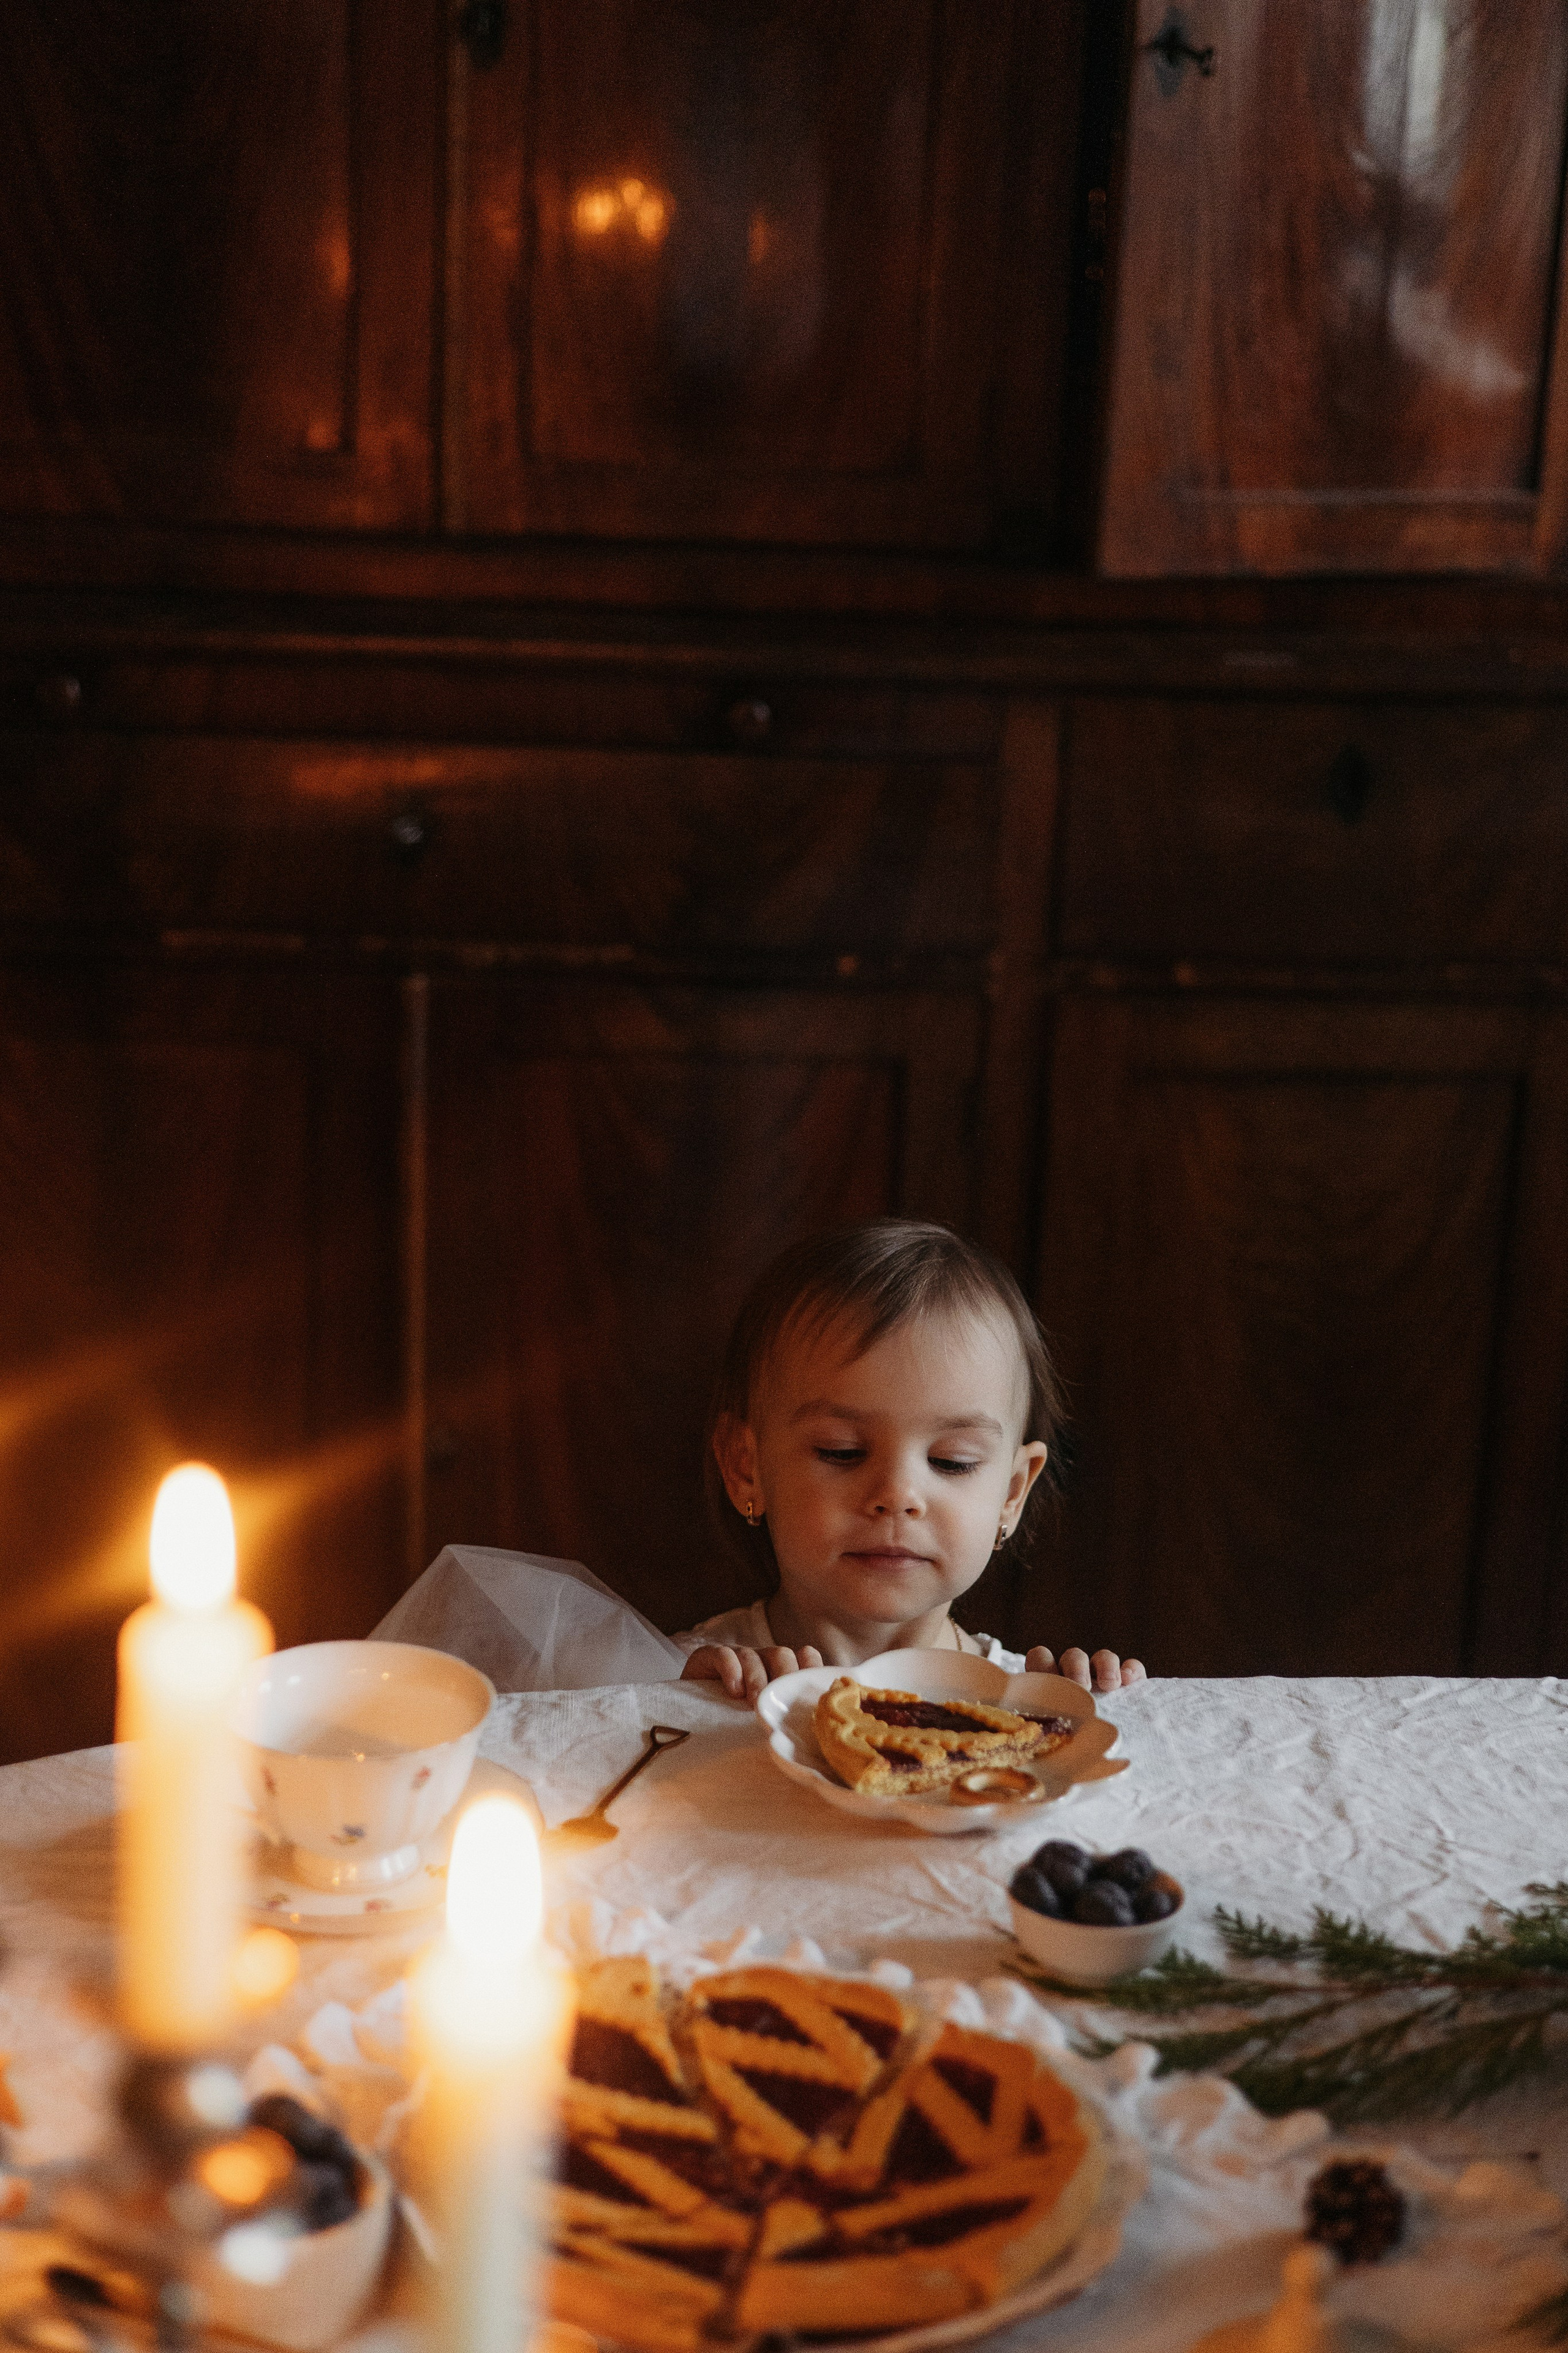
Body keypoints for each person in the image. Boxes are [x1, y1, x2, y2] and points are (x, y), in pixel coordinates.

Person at [677, 1220, 1146, 1703]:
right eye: (842, 1451)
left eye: (952, 1461)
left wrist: (1081, 1711)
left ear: (1011, 1493)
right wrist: (685, 1709)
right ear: (746, 1467)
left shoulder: (1027, 1697)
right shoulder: (687, 1677)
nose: (897, 1495)